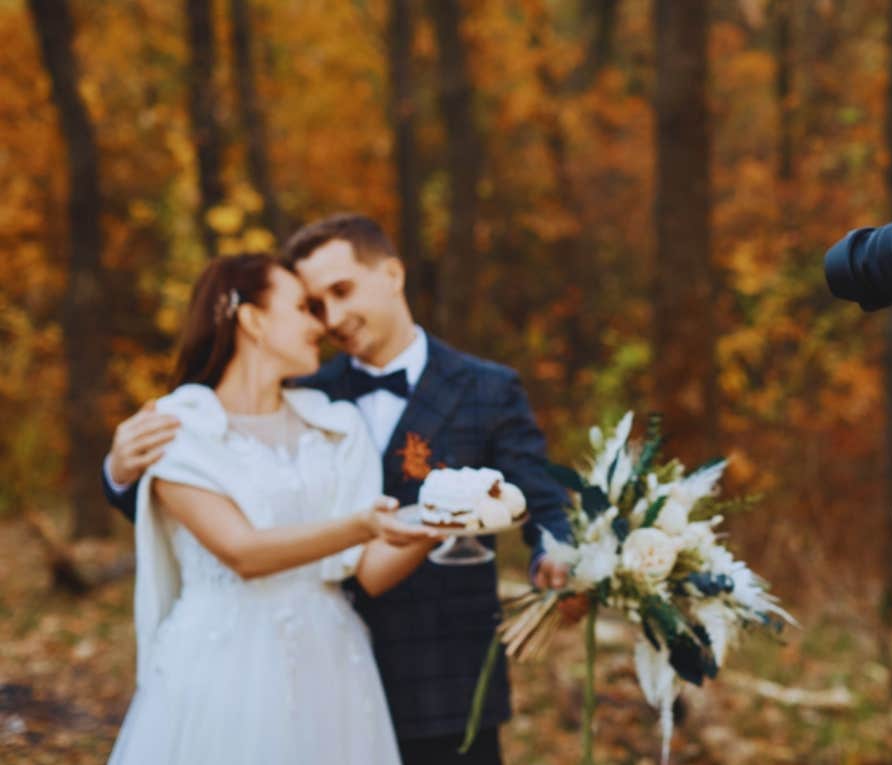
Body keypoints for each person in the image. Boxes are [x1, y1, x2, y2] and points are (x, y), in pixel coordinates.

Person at [103, 214, 574, 765]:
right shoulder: (305, 391)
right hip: (294, 667)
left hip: (440, 671)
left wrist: (553, 551)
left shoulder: (485, 388)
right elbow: (197, 511)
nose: (330, 319)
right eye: (313, 304)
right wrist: (118, 472)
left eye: (342, 291)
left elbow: (540, 493)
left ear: (393, 275)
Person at [108, 253, 447, 764]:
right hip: (223, 665)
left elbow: (369, 572)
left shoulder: (335, 425)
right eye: (305, 307)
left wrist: (434, 526)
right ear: (253, 320)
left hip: (330, 662)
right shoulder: (180, 429)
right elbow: (241, 552)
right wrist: (359, 526)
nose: (322, 323)